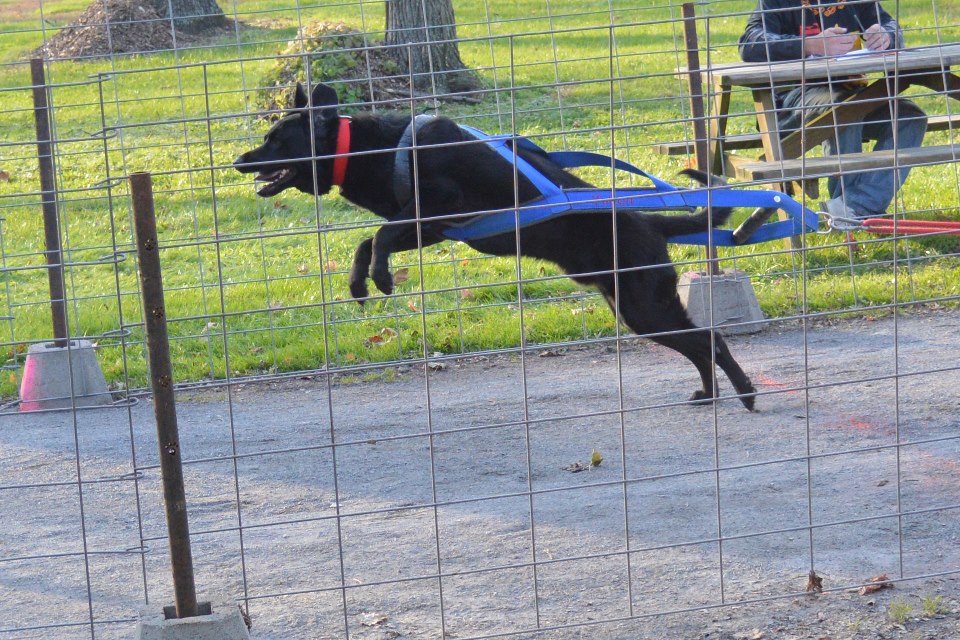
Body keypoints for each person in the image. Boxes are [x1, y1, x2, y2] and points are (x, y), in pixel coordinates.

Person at [739, 0, 927, 219]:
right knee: (846, 110)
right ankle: (846, 215)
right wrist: (809, 45)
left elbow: (890, 26)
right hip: (795, 98)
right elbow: (749, 44)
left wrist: (886, 35)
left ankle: (855, 206)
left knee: (910, 118)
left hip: (854, 93)